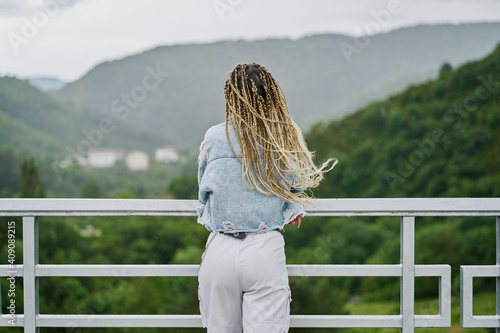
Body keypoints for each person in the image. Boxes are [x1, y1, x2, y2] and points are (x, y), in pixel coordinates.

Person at [197, 63, 336, 333]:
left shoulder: (214, 136)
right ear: (271, 95)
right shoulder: (282, 134)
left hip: (220, 250)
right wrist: (292, 208)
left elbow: (203, 189)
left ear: (231, 96)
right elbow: (293, 186)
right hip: (263, 249)